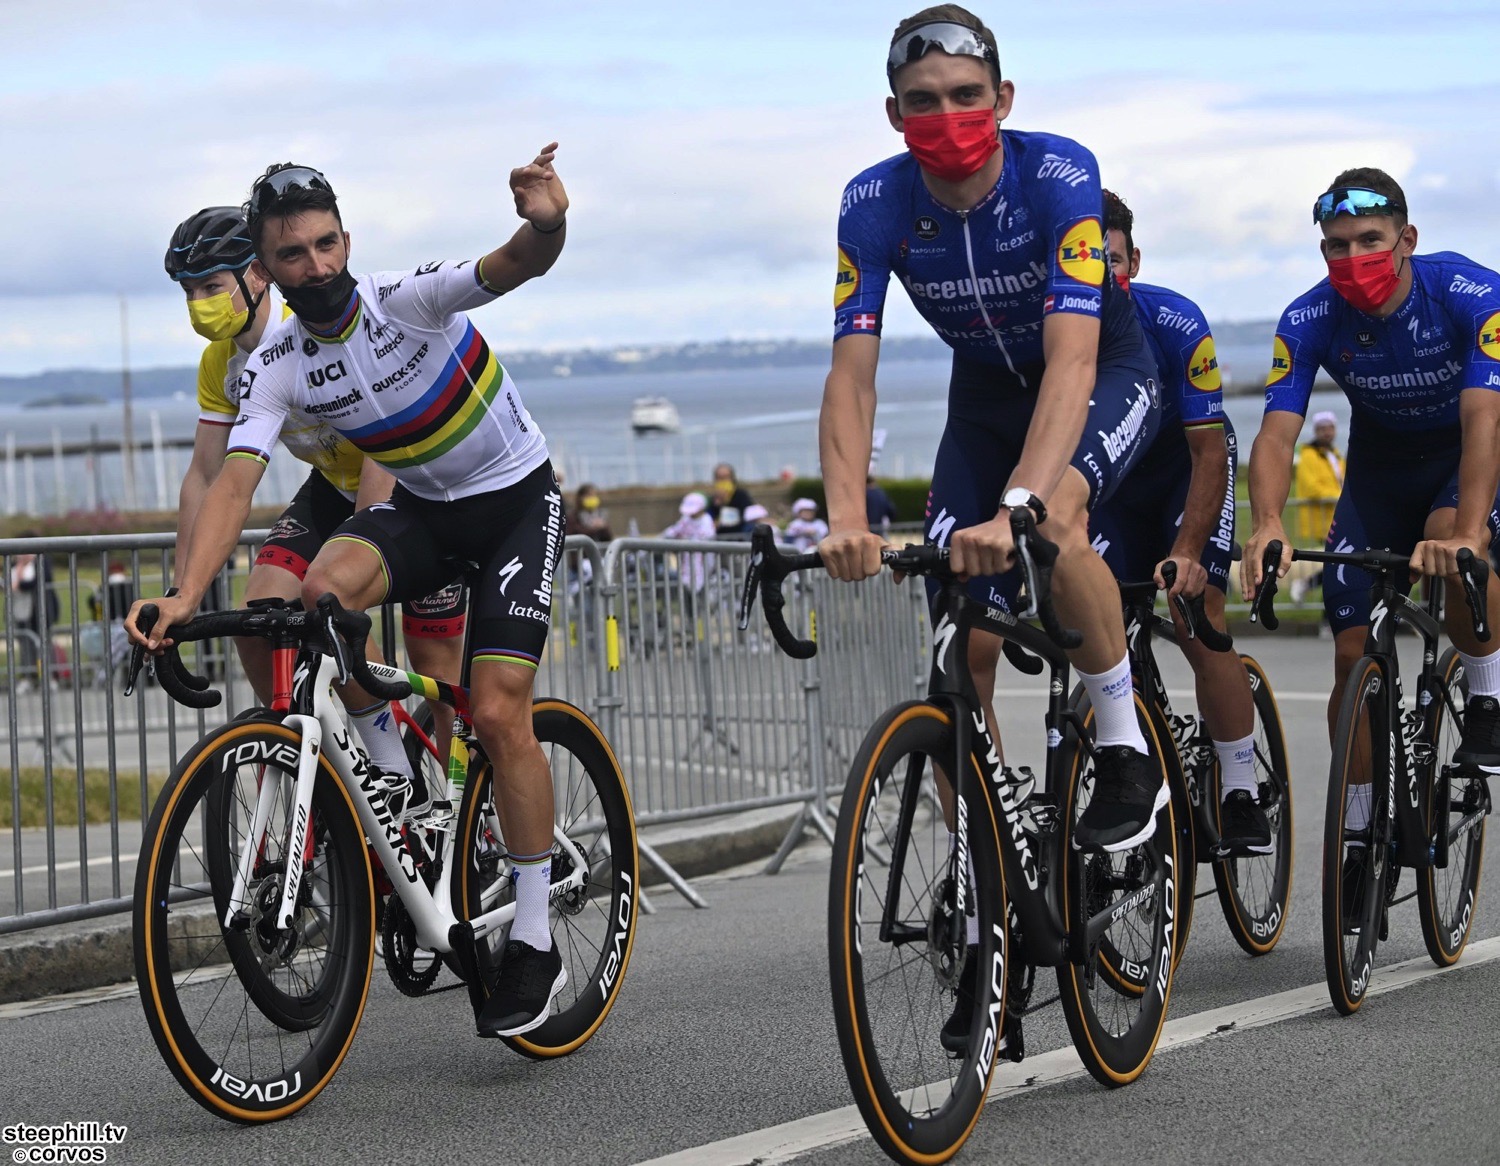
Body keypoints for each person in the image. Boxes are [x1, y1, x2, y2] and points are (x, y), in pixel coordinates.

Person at [129, 147, 572, 1038]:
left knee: (496, 710)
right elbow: (231, 483)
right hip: (430, 511)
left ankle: (533, 935)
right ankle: (393, 779)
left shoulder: (407, 300)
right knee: (314, 594)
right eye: (293, 254)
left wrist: (548, 221)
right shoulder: (275, 364)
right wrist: (183, 595)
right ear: (269, 265)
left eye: (327, 245)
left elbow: (515, 263)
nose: (316, 266)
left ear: (346, 241)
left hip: (517, 502)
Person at [819, 6, 1166, 865]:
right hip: (982, 398)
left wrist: (1022, 499)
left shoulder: (1059, 174)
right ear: (894, 113)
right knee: (961, 628)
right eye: (923, 100)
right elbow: (852, 374)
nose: (947, 115)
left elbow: (1073, 359)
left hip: (1102, 370)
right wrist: (846, 518)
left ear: (1002, 98)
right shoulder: (872, 202)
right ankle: (986, 858)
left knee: (1054, 521)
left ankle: (1126, 749)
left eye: (966, 94)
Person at [164, 206, 467, 790]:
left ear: (257, 276)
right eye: (189, 292)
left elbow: (385, 438)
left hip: (406, 475)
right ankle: (319, 757)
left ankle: (438, 797)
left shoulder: (307, 326)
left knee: (436, 674)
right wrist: (183, 593)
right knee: (259, 616)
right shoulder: (219, 364)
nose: (199, 303)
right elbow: (205, 477)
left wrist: (363, 548)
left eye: (211, 287)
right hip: (332, 485)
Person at [1243, 169, 1500, 856]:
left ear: (1406, 239)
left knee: (1450, 539)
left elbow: (1484, 418)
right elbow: (1276, 433)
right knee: (1350, 655)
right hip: (1379, 477)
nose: (1353, 257)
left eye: (1369, 240)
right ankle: (1358, 832)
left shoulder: (1469, 293)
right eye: (1337, 245)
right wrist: (1267, 523)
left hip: (1466, 460)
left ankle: (1487, 696)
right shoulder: (1310, 317)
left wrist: (1470, 532)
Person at [1093, 190, 1269, 850]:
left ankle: (1240, 787)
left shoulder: (1175, 321)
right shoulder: (1049, 330)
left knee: (1197, 613)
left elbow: (1208, 452)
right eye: (1080, 261)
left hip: (1185, 470)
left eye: (1110, 261)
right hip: (1112, 485)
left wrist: (1189, 550)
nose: (1097, 275)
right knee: (1096, 617)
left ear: (1133, 261)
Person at [8, 534, 59, 690]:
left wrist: (20, 585)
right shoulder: (13, 564)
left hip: (40, 611)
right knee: (25, 645)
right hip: (20, 612)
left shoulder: (41, 562)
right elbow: (8, 582)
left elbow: (40, 580)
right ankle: (27, 677)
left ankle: (49, 676)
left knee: (45, 644)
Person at [707, 463, 755, 535]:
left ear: (732, 478)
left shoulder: (741, 495)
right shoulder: (712, 499)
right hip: (720, 535)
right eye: (719, 478)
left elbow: (749, 516)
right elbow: (709, 520)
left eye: (726, 477)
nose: (723, 481)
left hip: (740, 533)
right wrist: (717, 505)